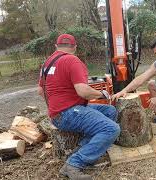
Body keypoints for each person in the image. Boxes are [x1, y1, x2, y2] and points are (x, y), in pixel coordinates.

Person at [38, 34, 120, 180]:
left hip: (58, 114)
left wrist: (55, 107)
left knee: (110, 111)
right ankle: (74, 164)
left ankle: (83, 149)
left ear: (56, 46)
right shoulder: (73, 60)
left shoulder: (47, 63)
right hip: (69, 113)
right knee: (112, 129)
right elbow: (83, 91)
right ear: (75, 47)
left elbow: (40, 91)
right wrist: (102, 94)